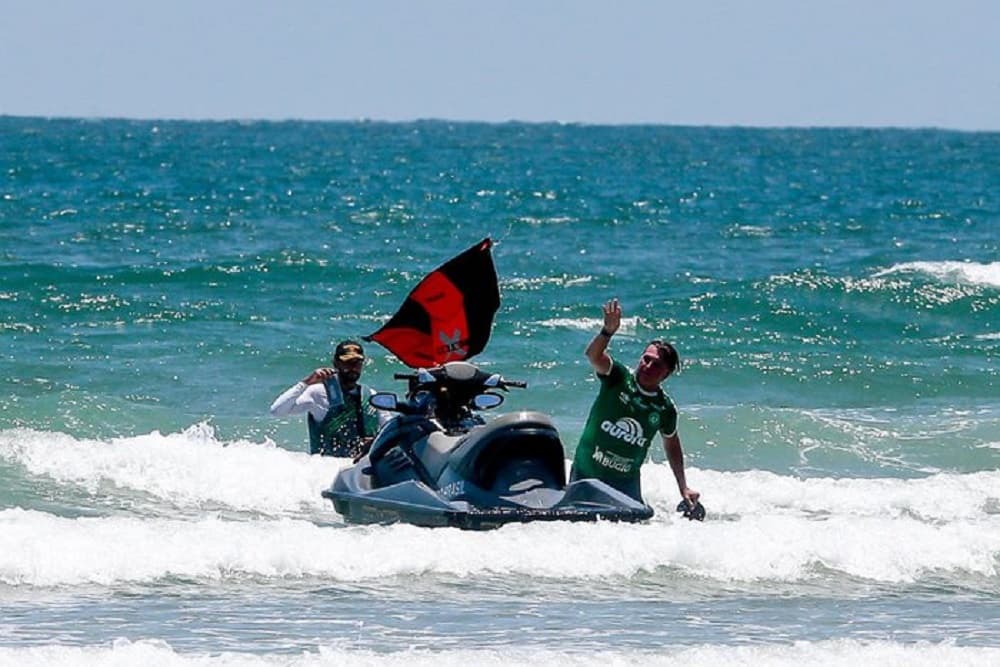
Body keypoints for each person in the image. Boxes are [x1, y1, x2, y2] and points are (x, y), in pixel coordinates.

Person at [570, 298, 700, 507]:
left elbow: (672, 445)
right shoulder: (619, 378)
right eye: (645, 359)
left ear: (666, 374)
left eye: (656, 364)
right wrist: (607, 331)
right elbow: (593, 356)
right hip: (587, 472)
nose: (647, 366)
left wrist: (683, 487)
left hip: (625, 484)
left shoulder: (665, 409)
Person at [269, 340, 389, 459]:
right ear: (336, 364)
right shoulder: (317, 393)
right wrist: (306, 382)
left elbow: (390, 429)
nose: (353, 368)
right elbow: (277, 411)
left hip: (361, 469)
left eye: (357, 363)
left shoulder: (371, 396)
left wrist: (376, 441)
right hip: (328, 469)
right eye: (347, 363)